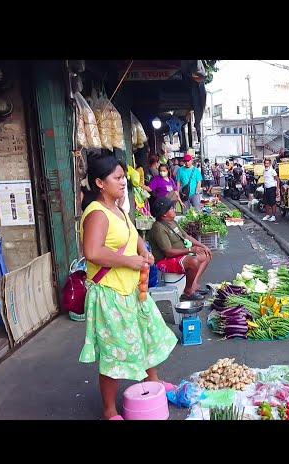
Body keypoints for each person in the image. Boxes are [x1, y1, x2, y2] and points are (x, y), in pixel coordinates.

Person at [79, 155, 178, 420]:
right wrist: (128, 261)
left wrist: (144, 253)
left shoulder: (119, 209)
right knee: (114, 352)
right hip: (111, 293)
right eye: (117, 178)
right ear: (100, 182)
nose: (123, 182)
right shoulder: (97, 213)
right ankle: (110, 410)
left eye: (124, 177)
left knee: (146, 337)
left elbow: (132, 237)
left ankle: (154, 383)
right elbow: (91, 251)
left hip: (133, 290)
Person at [149, 197, 212, 300]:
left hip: (181, 255)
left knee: (206, 254)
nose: (174, 209)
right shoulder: (158, 228)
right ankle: (188, 291)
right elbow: (168, 252)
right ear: (164, 213)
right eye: (171, 208)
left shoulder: (172, 222)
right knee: (194, 262)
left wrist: (202, 246)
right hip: (165, 260)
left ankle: (193, 286)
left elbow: (186, 236)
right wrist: (190, 250)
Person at [261, 157, 280, 222]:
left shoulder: (272, 171)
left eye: (267, 163)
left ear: (270, 164)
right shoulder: (264, 171)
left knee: (272, 202)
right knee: (266, 202)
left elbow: (277, 180)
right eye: (265, 163)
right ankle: (267, 215)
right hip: (266, 188)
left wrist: (277, 188)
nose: (266, 165)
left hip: (272, 188)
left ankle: (273, 216)